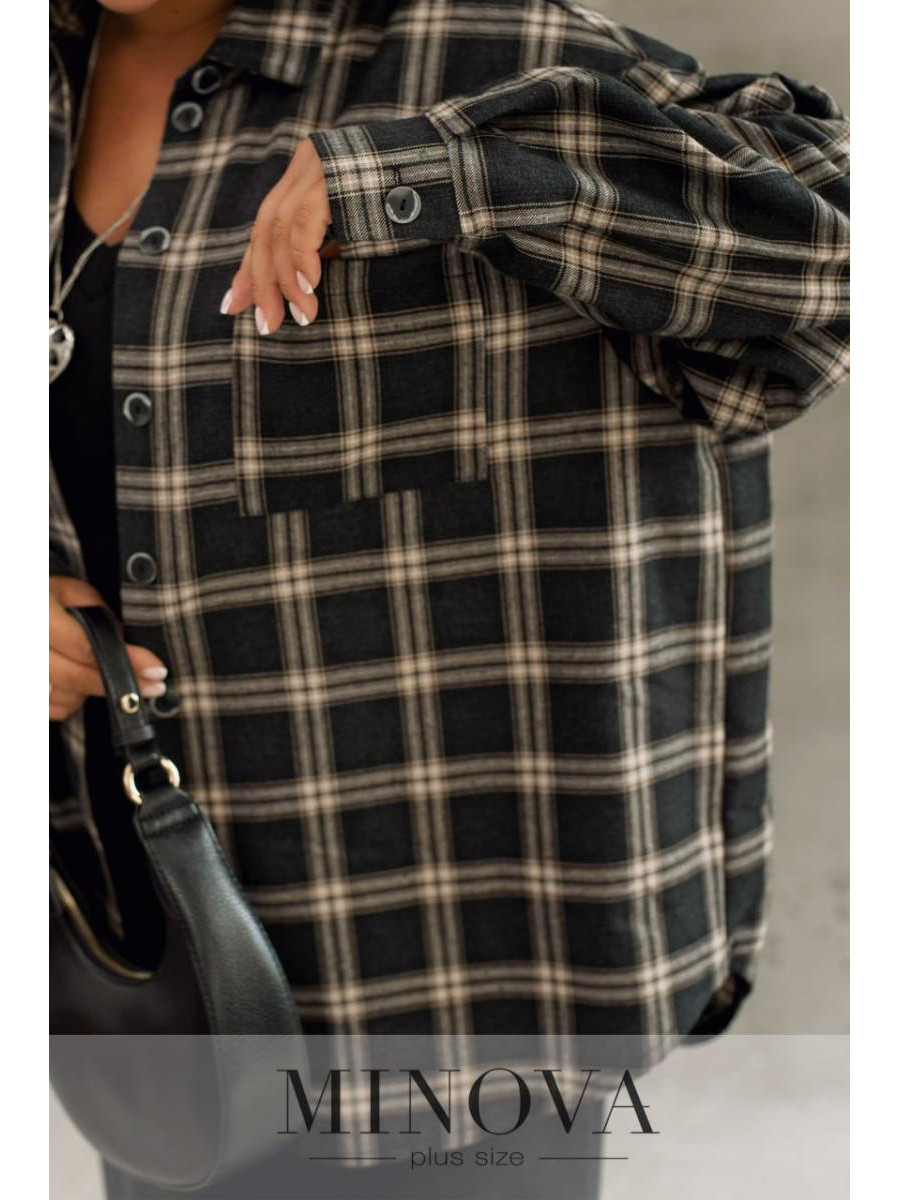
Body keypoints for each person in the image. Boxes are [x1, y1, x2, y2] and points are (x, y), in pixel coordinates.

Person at [49, 0, 849, 1195]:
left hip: (458, 1018)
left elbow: (832, 253)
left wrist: (444, 172)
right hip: (149, 995)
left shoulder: (485, 43)